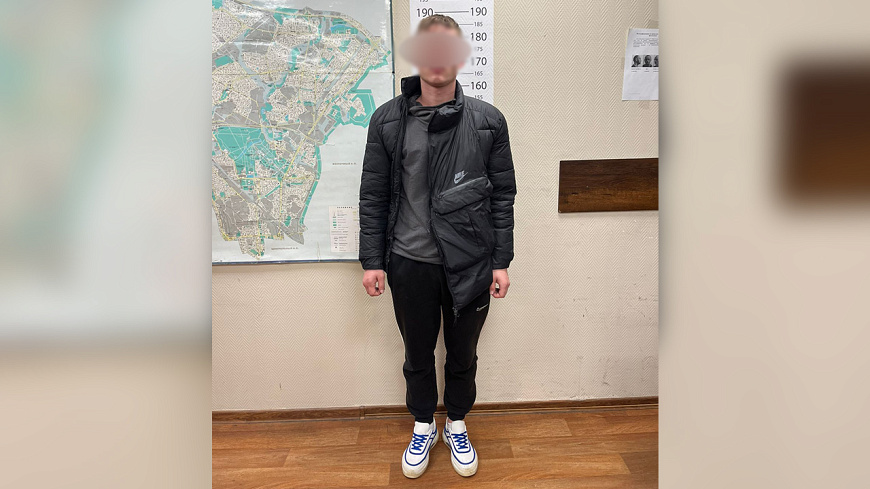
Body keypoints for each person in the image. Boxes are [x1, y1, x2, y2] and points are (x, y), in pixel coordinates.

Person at [358, 14, 516, 480]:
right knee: (417, 354)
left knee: (463, 354)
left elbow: (502, 196)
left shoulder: (488, 121)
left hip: (471, 262)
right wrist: (372, 261)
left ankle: (457, 423)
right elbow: (373, 195)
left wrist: (501, 261)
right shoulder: (387, 120)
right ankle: (424, 423)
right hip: (409, 263)